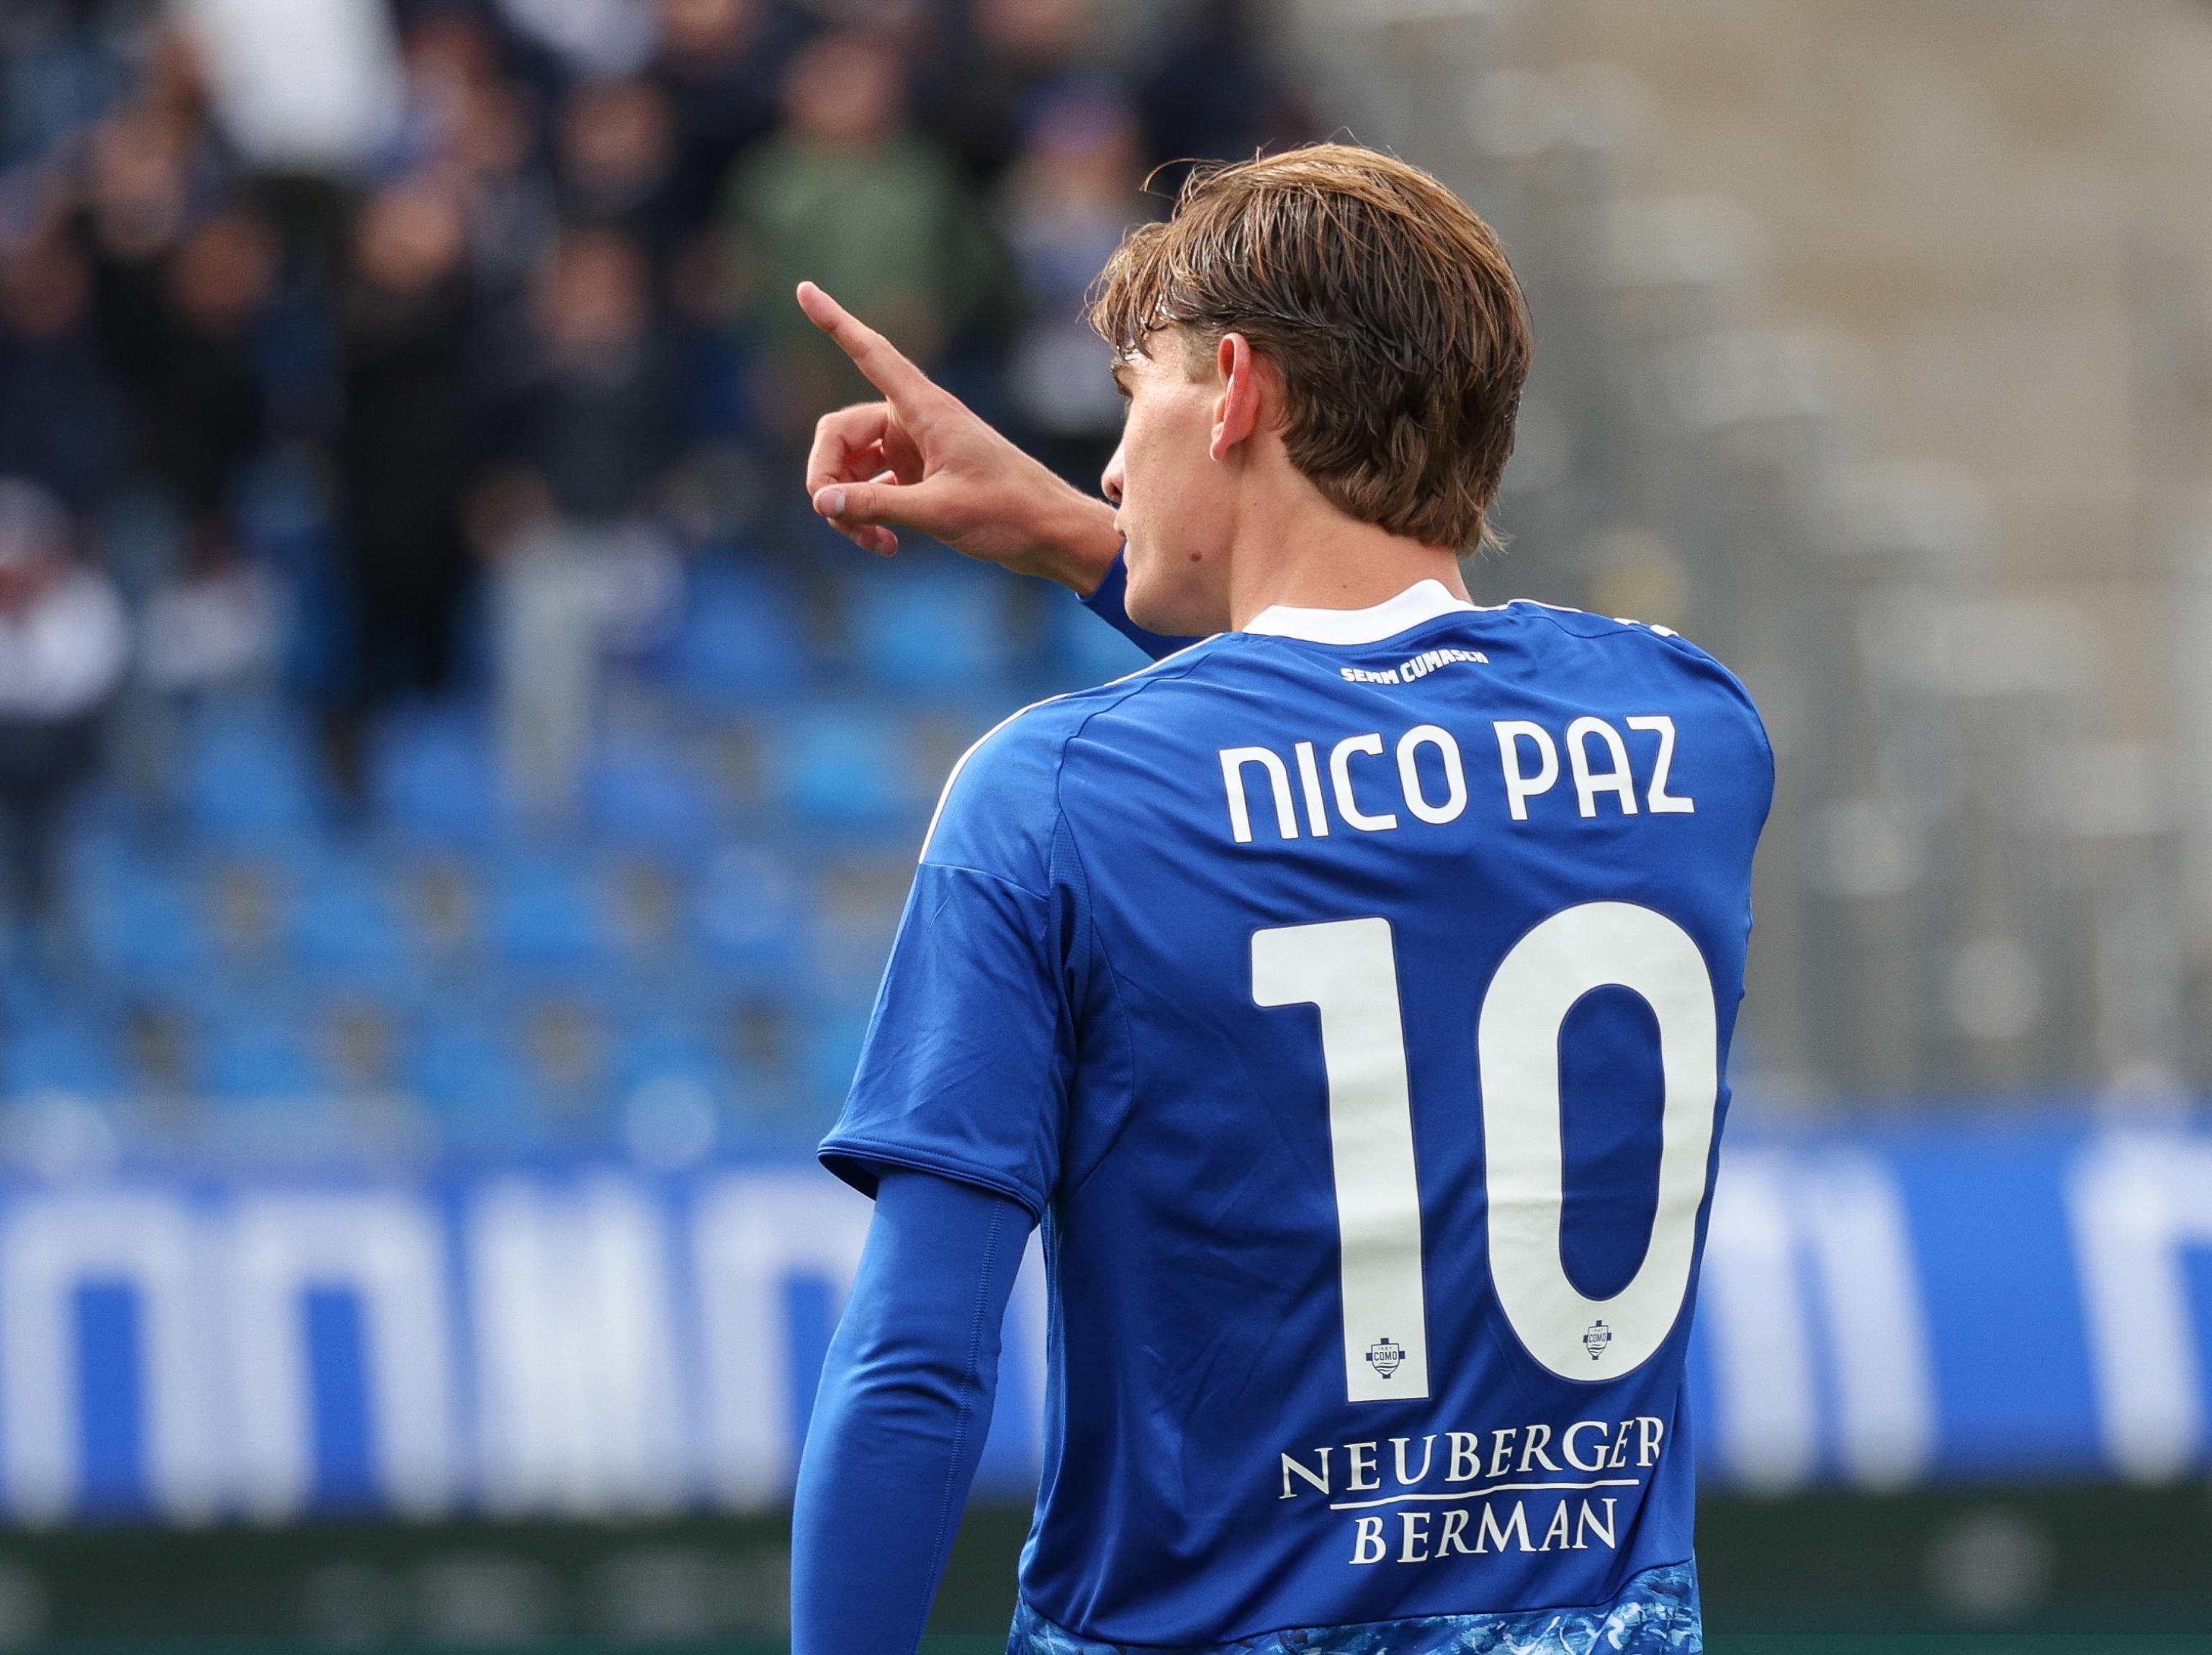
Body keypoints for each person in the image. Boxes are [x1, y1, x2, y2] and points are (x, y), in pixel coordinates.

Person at [787, 146, 1772, 1655]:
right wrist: (1081, 543)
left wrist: (1096, 552)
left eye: (1137, 396)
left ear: (1236, 390)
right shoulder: (1689, 731)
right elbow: (1389, 743)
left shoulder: (1051, 796)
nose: (1113, 471)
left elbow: (915, 1367)